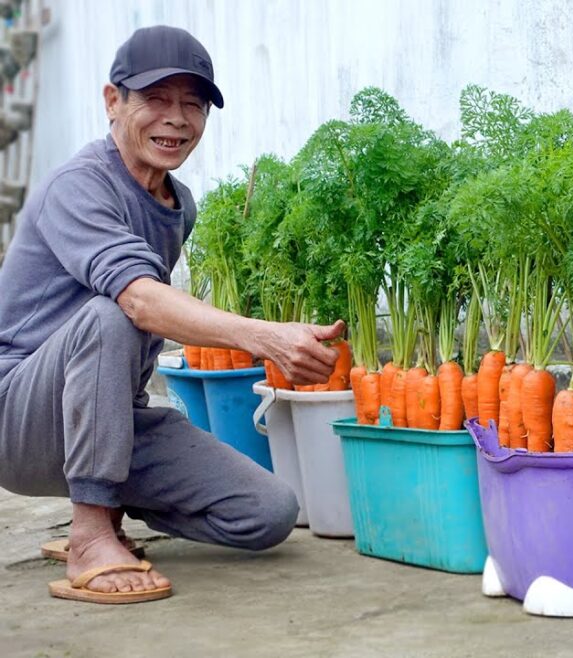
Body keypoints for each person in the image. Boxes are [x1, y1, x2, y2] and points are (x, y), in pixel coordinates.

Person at [0, 25, 343, 603]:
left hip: (106, 418)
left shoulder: (177, 204)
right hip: (18, 416)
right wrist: (266, 338)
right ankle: (89, 534)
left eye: (193, 104)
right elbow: (138, 301)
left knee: (268, 512)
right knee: (112, 314)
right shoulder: (78, 186)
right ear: (113, 101)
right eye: (156, 99)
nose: (177, 119)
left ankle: (108, 507)